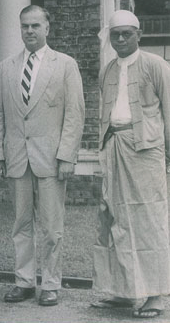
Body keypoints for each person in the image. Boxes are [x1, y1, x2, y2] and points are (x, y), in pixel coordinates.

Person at [0, 5, 85, 306]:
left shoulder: (65, 64)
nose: (29, 31)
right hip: (17, 155)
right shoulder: (6, 66)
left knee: (52, 226)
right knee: (20, 223)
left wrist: (67, 156)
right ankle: (24, 281)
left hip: (51, 157)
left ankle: (51, 284)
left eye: (35, 26)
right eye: (24, 26)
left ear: (47, 28)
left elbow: (75, 114)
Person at [90, 10, 170, 319]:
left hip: (146, 151)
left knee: (148, 221)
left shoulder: (156, 65)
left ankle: (154, 295)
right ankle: (122, 293)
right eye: (115, 34)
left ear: (139, 34)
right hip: (113, 147)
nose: (120, 39)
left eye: (126, 33)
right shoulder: (108, 69)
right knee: (113, 220)